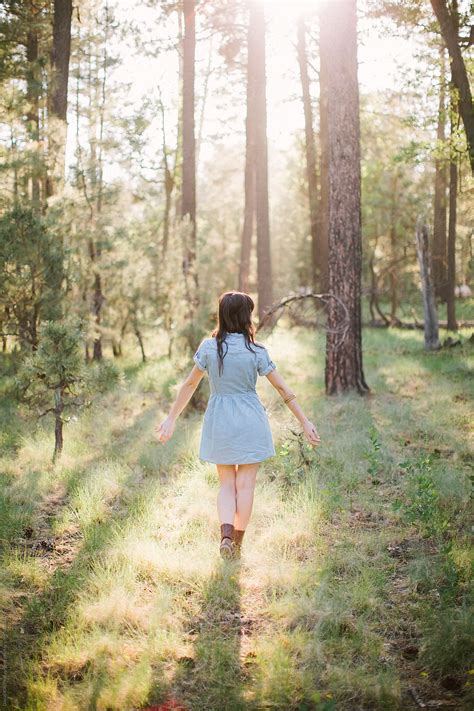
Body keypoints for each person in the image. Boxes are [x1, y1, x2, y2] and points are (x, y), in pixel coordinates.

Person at [156, 290, 321, 560]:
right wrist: (305, 421)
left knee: (226, 485)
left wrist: (171, 418)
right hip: (250, 421)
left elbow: (189, 384)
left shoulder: (209, 348)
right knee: (245, 486)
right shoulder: (256, 351)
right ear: (246, 317)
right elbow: (282, 388)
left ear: (222, 315)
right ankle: (237, 544)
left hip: (220, 420)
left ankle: (225, 536)